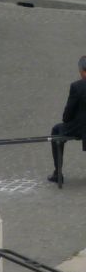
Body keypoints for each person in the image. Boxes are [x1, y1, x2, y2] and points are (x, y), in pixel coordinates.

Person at [48, 56, 86, 184]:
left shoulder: (77, 86)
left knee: (56, 130)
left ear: (82, 71)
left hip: (80, 128)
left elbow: (68, 113)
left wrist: (67, 120)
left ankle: (58, 173)